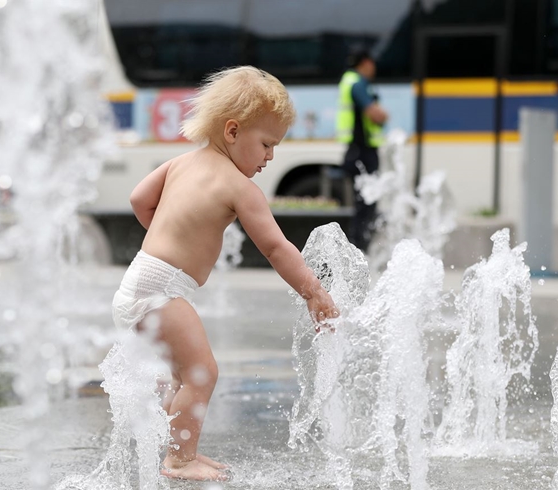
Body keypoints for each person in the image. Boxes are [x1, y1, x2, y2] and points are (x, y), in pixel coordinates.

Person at [110, 66, 340, 482]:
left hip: (140, 281)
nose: (271, 157)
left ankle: (170, 446)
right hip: (161, 290)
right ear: (232, 131)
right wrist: (312, 291)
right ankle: (179, 460)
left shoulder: (180, 163)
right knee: (203, 372)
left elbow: (138, 199)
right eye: (267, 144)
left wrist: (171, 237)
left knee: (183, 376)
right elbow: (275, 247)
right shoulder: (239, 188)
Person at [336, 47, 389, 252]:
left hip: (356, 150)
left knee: (364, 203)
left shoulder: (349, 81)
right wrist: (383, 115)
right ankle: (358, 248)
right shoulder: (358, 83)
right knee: (366, 204)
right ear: (365, 63)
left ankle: (357, 247)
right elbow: (376, 115)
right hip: (362, 152)